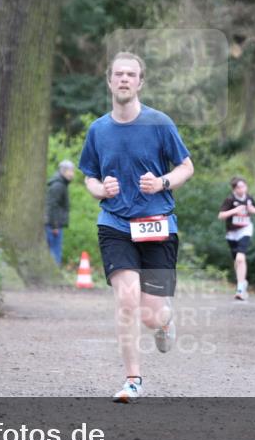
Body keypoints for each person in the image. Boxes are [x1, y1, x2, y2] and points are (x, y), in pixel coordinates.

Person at [79, 52, 194, 403]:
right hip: (115, 223)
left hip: (157, 224)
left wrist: (161, 182)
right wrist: (101, 189)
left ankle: (164, 323)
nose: (124, 79)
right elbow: (89, 176)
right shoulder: (98, 130)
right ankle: (133, 380)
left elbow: (186, 167)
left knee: (151, 313)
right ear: (110, 81)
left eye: (131, 74)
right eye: (119, 74)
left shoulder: (159, 123)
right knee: (126, 299)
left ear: (140, 82)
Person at [217, 176, 255, 301]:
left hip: (245, 230)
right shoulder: (230, 199)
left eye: (244, 186)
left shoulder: (249, 198)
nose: (242, 189)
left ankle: (240, 288)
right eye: (239, 187)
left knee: (240, 258)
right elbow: (221, 215)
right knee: (237, 261)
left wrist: (252, 210)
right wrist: (235, 210)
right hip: (232, 233)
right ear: (234, 189)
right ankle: (242, 282)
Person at [44, 160, 75, 266]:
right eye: (69, 171)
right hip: (53, 225)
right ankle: (54, 269)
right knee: (55, 250)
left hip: (54, 223)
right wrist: (55, 226)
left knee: (55, 249)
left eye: (72, 171)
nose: (72, 174)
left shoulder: (61, 184)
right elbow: (52, 206)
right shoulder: (58, 185)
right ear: (62, 171)